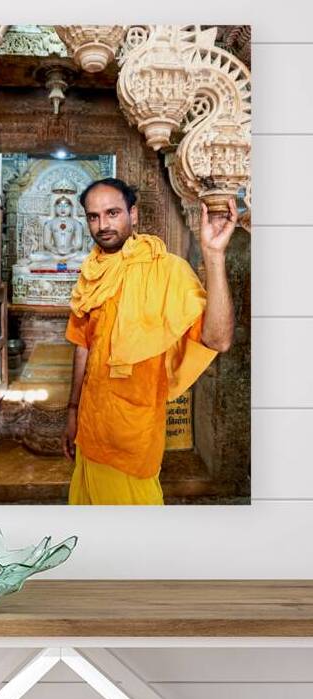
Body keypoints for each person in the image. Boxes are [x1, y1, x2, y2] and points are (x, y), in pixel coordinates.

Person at [61, 177, 236, 505]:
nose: (103, 225)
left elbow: (218, 339)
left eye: (113, 213)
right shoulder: (91, 273)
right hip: (90, 424)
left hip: (133, 432)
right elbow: (83, 345)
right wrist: (72, 411)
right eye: (93, 216)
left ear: (133, 214)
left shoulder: (168, 270)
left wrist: (214, 256)